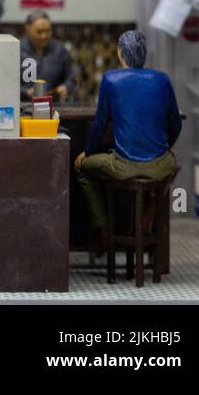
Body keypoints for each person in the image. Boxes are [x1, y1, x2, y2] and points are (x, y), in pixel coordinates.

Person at [75, 31, 181, 250]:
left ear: (120, 52)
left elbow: (99, 124)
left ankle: (102, 230)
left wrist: (88, 151)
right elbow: (176, 124)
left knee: (82, 169)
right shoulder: (162, 79)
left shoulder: (111, 79)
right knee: (174, 165)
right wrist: (162, 150)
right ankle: (148, 213)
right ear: (144, 53)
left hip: (123, 167)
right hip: (160, 165)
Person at [20, 11, 75, 101]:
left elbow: (71, 77)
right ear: (27, 29)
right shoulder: (17, 50)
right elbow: (7, 83)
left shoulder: (59, 50)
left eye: (47, 31)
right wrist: (25, 92)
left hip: (54, 106)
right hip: (23, 106)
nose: (44, 36)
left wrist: (66, 86)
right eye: (39, 32)